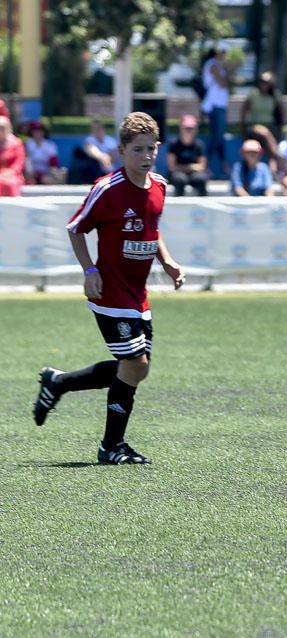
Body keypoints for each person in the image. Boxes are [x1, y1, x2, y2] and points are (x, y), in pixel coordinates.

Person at [32, 112, 186, 464]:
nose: (145, 156)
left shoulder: (159, 187)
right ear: (121, 151)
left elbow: (151, 230)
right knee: (134, 364)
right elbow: (76, 228)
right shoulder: (107, 189)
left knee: (137, 368)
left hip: (138, 295)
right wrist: (89, 269)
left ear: (158, 148)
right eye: (137, 150)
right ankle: (111, 446)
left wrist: (168, 261)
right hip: (110, 293)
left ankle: (58, 382)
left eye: (151, 149)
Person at [200, 42, 231, 177]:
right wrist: (229, 71)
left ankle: (224, 166)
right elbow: (223, 83)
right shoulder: (213, 64)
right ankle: (204, 165)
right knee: (216, 137)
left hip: (219, 106)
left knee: (219, 137)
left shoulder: (216, 65)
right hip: (214, 106)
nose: (224, 54)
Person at [166, 115, 209, 197]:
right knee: (180, 180)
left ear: (195, 129)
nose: (189, 131)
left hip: (194, 175)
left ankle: (204, 207)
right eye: (186, 128)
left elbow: (202, 166)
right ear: (181, 128)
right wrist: (190, 167)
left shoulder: (199, 145)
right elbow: (172, 167)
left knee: (201, 179)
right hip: (178, 174)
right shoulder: (174, 144)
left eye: (191, 128)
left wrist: (188, 168)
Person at [69, 120, 120, 185]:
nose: (97, 131)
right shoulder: (89, 139)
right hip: (94, 171)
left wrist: (107, 159)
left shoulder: (110, 140)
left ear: (103, 129)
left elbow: (114, 154)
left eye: (98, 128)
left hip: (110, 171)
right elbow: (90, 149)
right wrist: (102, 157)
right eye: (94, 129)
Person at [240, 71, 284, 140]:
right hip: (254, 126)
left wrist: (280, 128)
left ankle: (273, 150)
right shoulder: (253, 94)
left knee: (269, 135)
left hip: (270, 126)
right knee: (264, 133)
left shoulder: (275, 95)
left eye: (266, 82)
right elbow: (244, 110)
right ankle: (275, 151)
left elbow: (281, 113)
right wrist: (243, 127)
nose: (264, 84)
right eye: (262, 81)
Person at [0, 115, 26, 196]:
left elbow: (19, 162)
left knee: (10, 184)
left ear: (8, 128)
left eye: (2, 127)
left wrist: (10, 172)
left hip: (13, 175)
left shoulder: (16, 143)